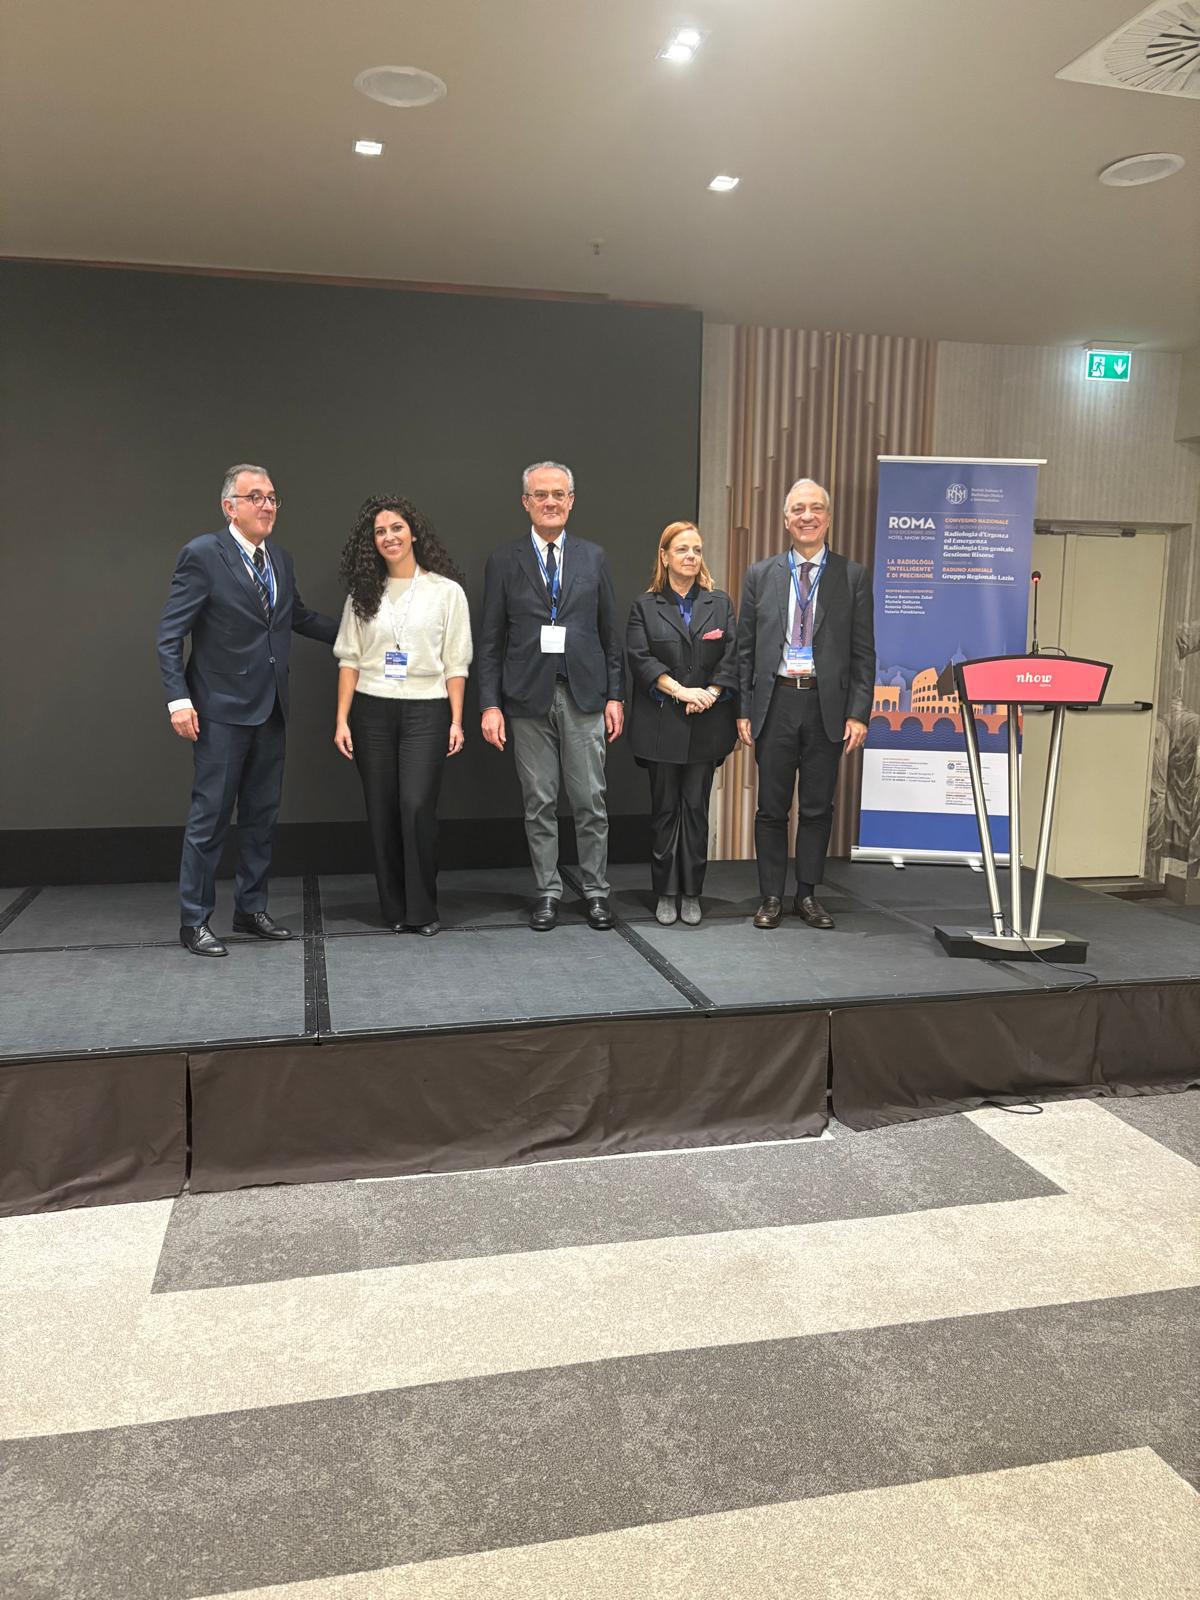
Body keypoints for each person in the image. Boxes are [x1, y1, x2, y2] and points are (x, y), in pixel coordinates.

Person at [157, 463, 338, 957]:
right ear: (229, 507)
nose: (266, 505)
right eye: (255, 496)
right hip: (219, 710)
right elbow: (170, 635)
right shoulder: (203, 554)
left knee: (260, 817)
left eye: (272, 497)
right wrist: (178, 698)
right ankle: (194, 921)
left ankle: (250, 908)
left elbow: (298, 616)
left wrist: (359, 633)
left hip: (271, 708)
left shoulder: (280, 558)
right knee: (211, 817)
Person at [477, 461, 625, 931]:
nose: (550, 502)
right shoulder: (504, 560)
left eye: (559, 494)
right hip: (526, 699)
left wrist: (616, 696)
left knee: (590, 800)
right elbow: (490, 640)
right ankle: (547, 890)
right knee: (538, 802)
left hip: (585, 696)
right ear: (526, 502)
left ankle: (596, 891)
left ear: (572, 501)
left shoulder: (593, 557)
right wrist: (489, 704)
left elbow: (610, 633)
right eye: (540, 495)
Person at [736, 478, 875, 930]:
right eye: (798, 509)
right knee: (771, 808)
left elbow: (863, 652)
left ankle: (808, 895)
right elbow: (744, 649)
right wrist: (743, 709)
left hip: (825, 706)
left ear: (828, 518)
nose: (807, 516)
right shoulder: (761, 575)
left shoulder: (852, 576)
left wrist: (858, 712)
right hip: (775, 703)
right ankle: (771, 896)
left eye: (815, 508)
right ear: (786, 520)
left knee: (817, 808)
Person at [333, 495, 471, 935]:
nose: (389, 537)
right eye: (380, 532)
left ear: (414, 533)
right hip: (370, 711)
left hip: (427, 710)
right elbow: (349, 659)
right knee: (382, 809)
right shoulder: (362, 594)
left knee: (416, 806)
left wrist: (456, 720)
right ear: (371, 542)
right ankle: (393, 909)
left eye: (396, 528)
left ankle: (422, 910)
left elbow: (456, 663)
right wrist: (341, 720)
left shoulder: (446, 592)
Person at [626, 522, 739, 925]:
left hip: (707, 724)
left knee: (695, 811)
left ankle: (691, 892)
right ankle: (666, 892)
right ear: (665, 556)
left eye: (696, 550)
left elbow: (733, 655)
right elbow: (640, 659)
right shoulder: (645, 606)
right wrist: (681, 692)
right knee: (664, 812)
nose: (691, 556)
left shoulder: (719, 603)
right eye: (682, 549)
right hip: (662, 725)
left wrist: (709, 692)